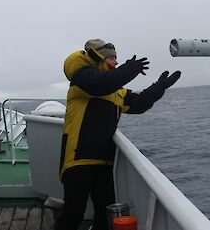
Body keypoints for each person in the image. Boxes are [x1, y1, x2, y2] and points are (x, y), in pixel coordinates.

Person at [55, 39, 181, 230]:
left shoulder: (116, 92)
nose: (115, 61)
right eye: (111, 58)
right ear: (98, 58)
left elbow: (138, 104)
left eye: (116, 57)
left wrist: (159, 87)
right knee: (73, 212)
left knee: (104, 213)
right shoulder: (82, 80)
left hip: (103, 161)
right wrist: (129, 69)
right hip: (78, 158)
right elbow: (101, 84)